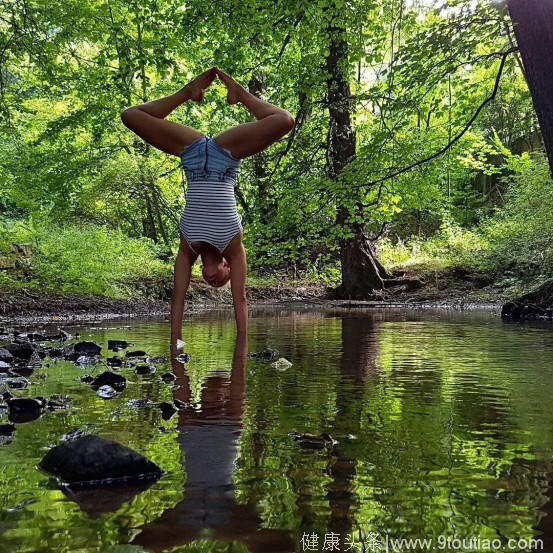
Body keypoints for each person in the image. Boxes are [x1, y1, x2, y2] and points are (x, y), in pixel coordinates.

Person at [120, 67, 295, 341]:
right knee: (284, 120)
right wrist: (243, 347)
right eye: (222, 279)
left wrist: (175, 345)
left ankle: (187, 93)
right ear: (228, 266)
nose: (213, 281)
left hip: (190, 155)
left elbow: (178, 299)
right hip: (224, 157)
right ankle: (240, 94)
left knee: (130, 116)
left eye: (208, 280)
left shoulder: (187, 247)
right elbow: (241, 300)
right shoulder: (234, 247)